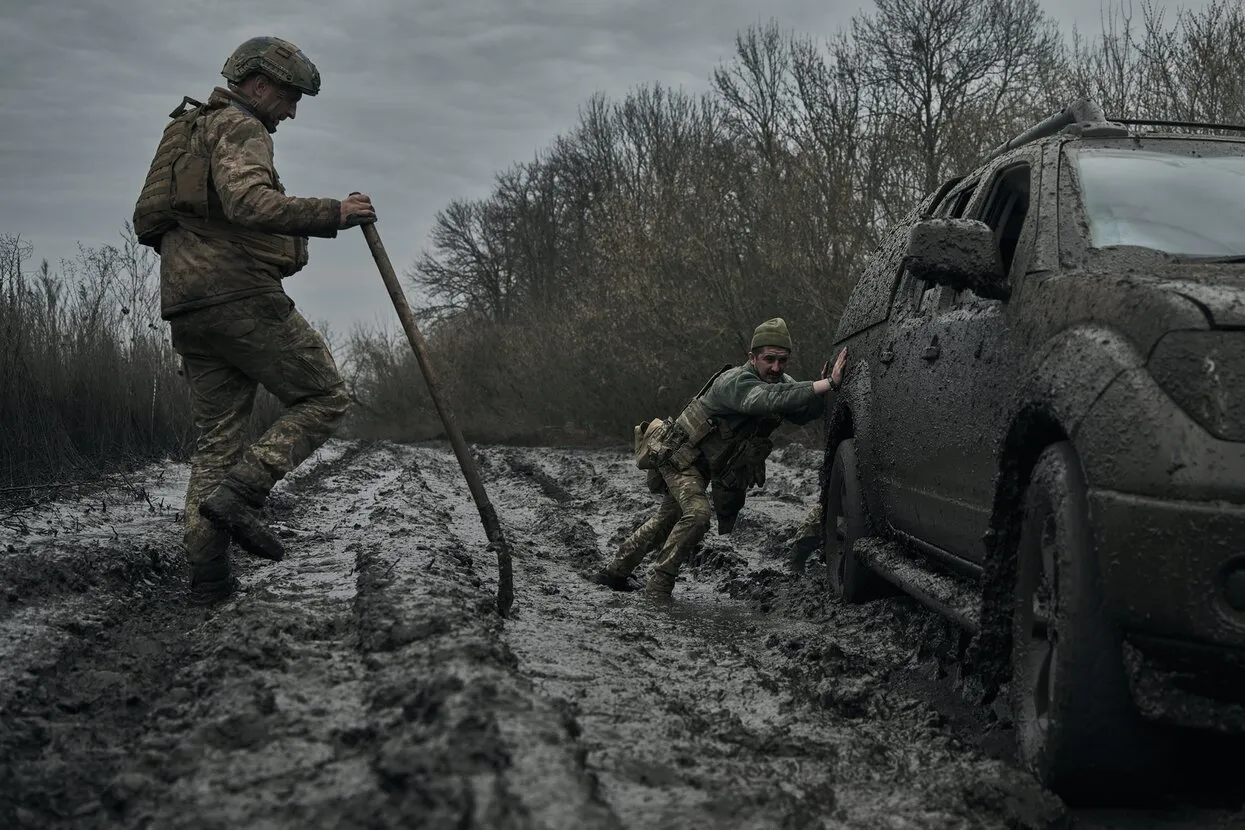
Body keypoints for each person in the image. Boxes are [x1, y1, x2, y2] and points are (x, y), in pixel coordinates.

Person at [131, 36, 377, 605]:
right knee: (326, 397)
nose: (291, 111)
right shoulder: (239, 127)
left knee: (217, 440)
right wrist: (333, 214)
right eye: (290, 98)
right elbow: (250, 205)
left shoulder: (187, 131)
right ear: (259, 86)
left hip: (187, 306)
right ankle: (242, 493)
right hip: (239, 297)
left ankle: (209, 579)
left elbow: (159, 222)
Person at [598, 318, 848, 597]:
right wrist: (824, 384)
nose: (776, 368)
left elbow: (801, 412)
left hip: (708, 465)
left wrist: (828, 390)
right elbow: (763, 400)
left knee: (666, 520)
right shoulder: (734, 381)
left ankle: (614, 572)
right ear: (752, 358)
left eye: (783, 360)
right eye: (769, 359)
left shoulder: (781, 385)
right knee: (698, 515)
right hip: (682, 459)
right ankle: (658, 586)